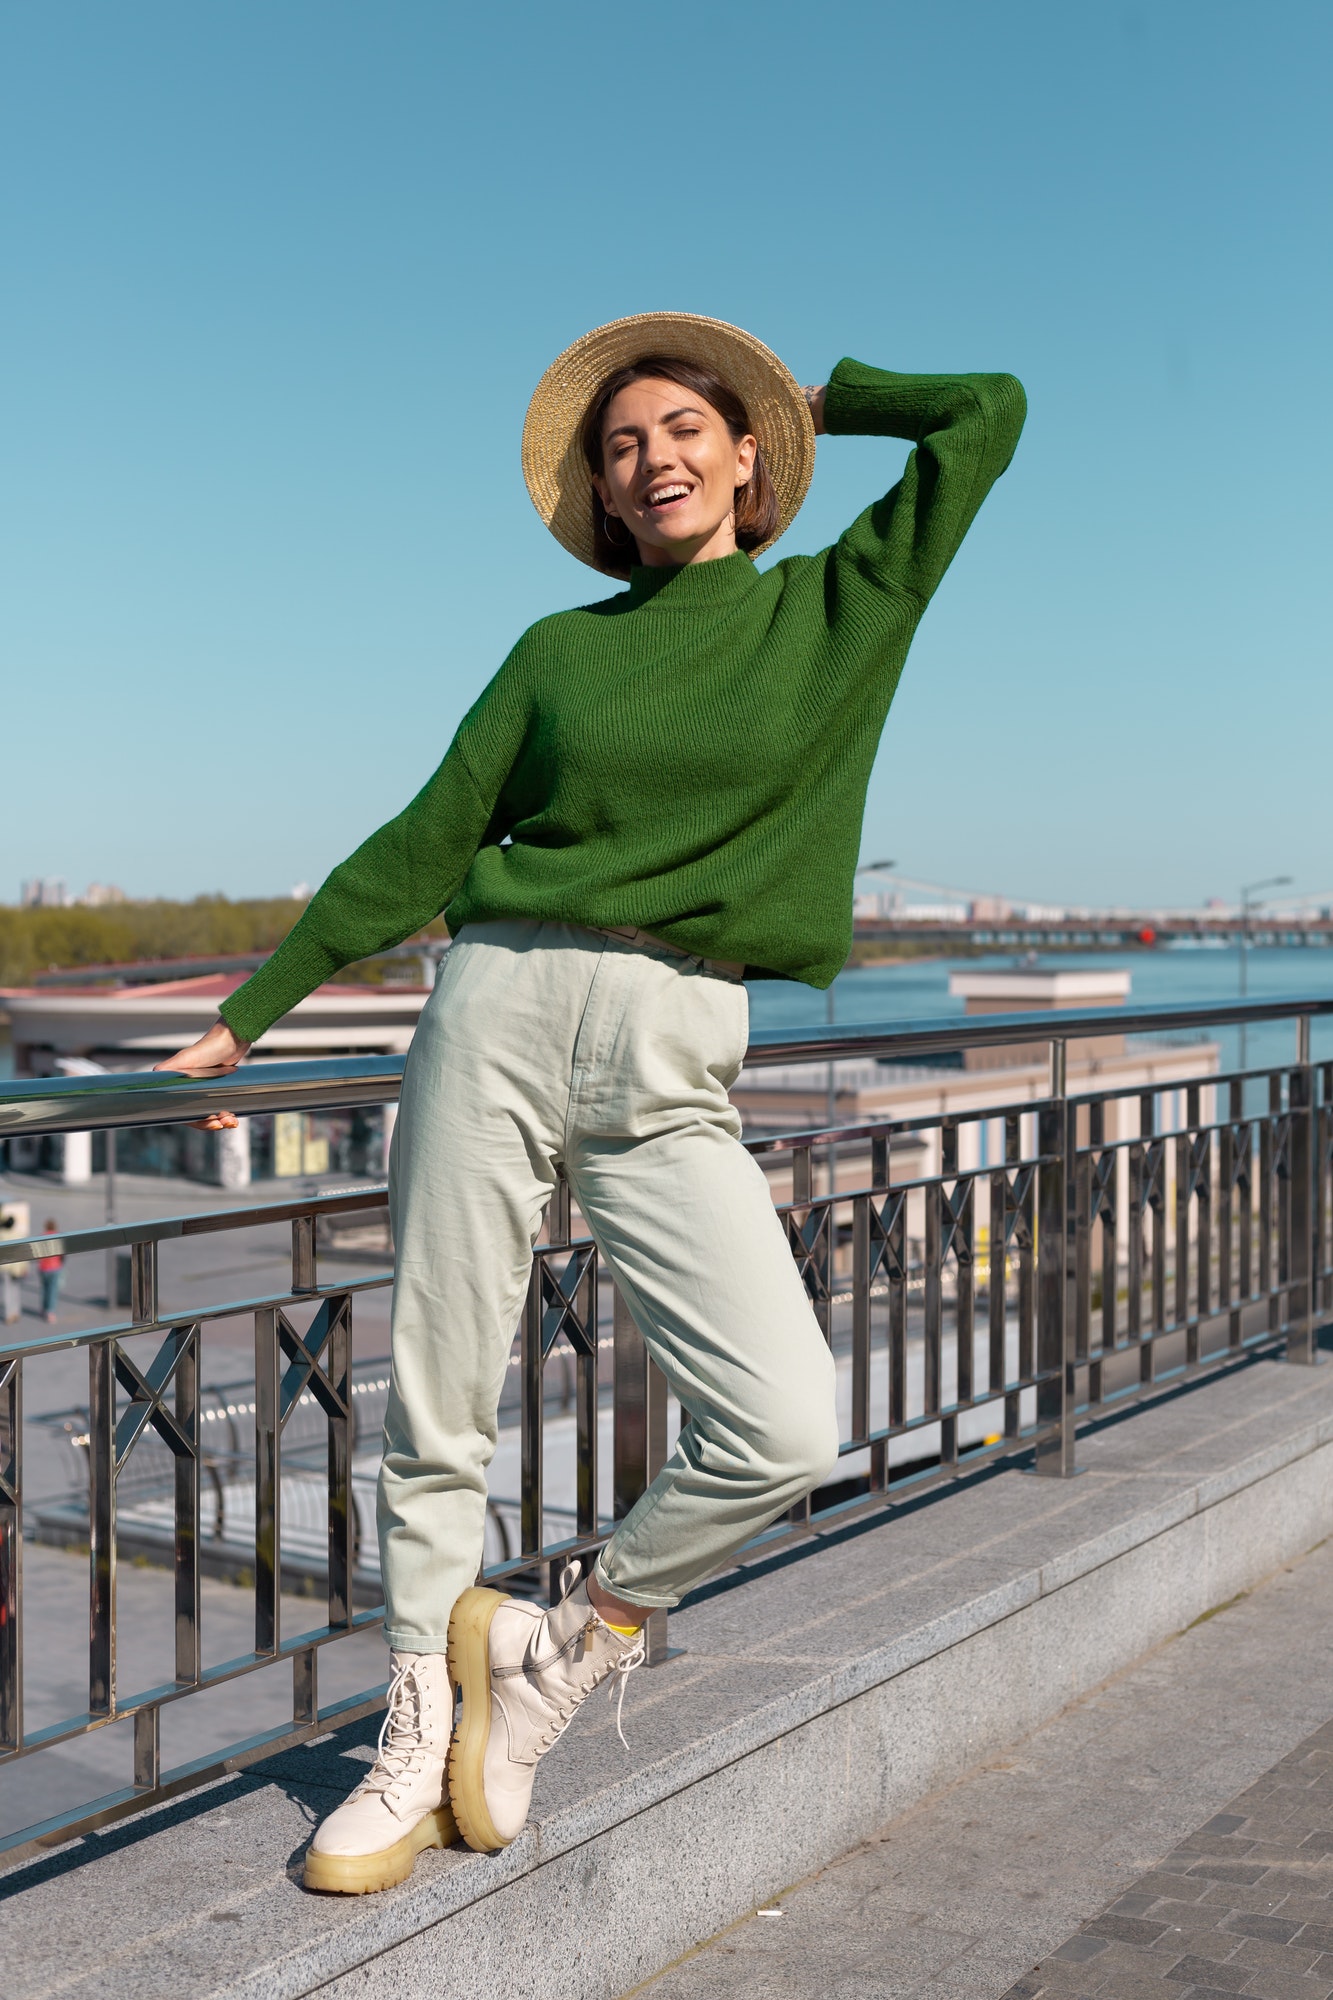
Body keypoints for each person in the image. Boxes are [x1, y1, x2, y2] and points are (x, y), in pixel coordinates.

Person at [157, 312, 1025, 1894]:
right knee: (440, 1401)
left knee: (783, 1424)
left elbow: (989, 412)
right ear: (603, 495)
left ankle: (569, 1647)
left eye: (688, 431)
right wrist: (251, 1009)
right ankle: (415, 1714)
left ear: (751, 460)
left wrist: (825, 392)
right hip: (491, 1007)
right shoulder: (556, 652)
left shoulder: (846, 602)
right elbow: (426, 839)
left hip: (673, 1043)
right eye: (622, 448)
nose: (654, 461)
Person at [38, 1224, 63, 1323]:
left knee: (44, 1289)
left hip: (43, 1267)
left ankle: (43, 1309)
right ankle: (50, 1312)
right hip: (55, 1267)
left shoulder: (41, 1236)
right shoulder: (58, 1236)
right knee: (52, 1290)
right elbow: (62, 1253)